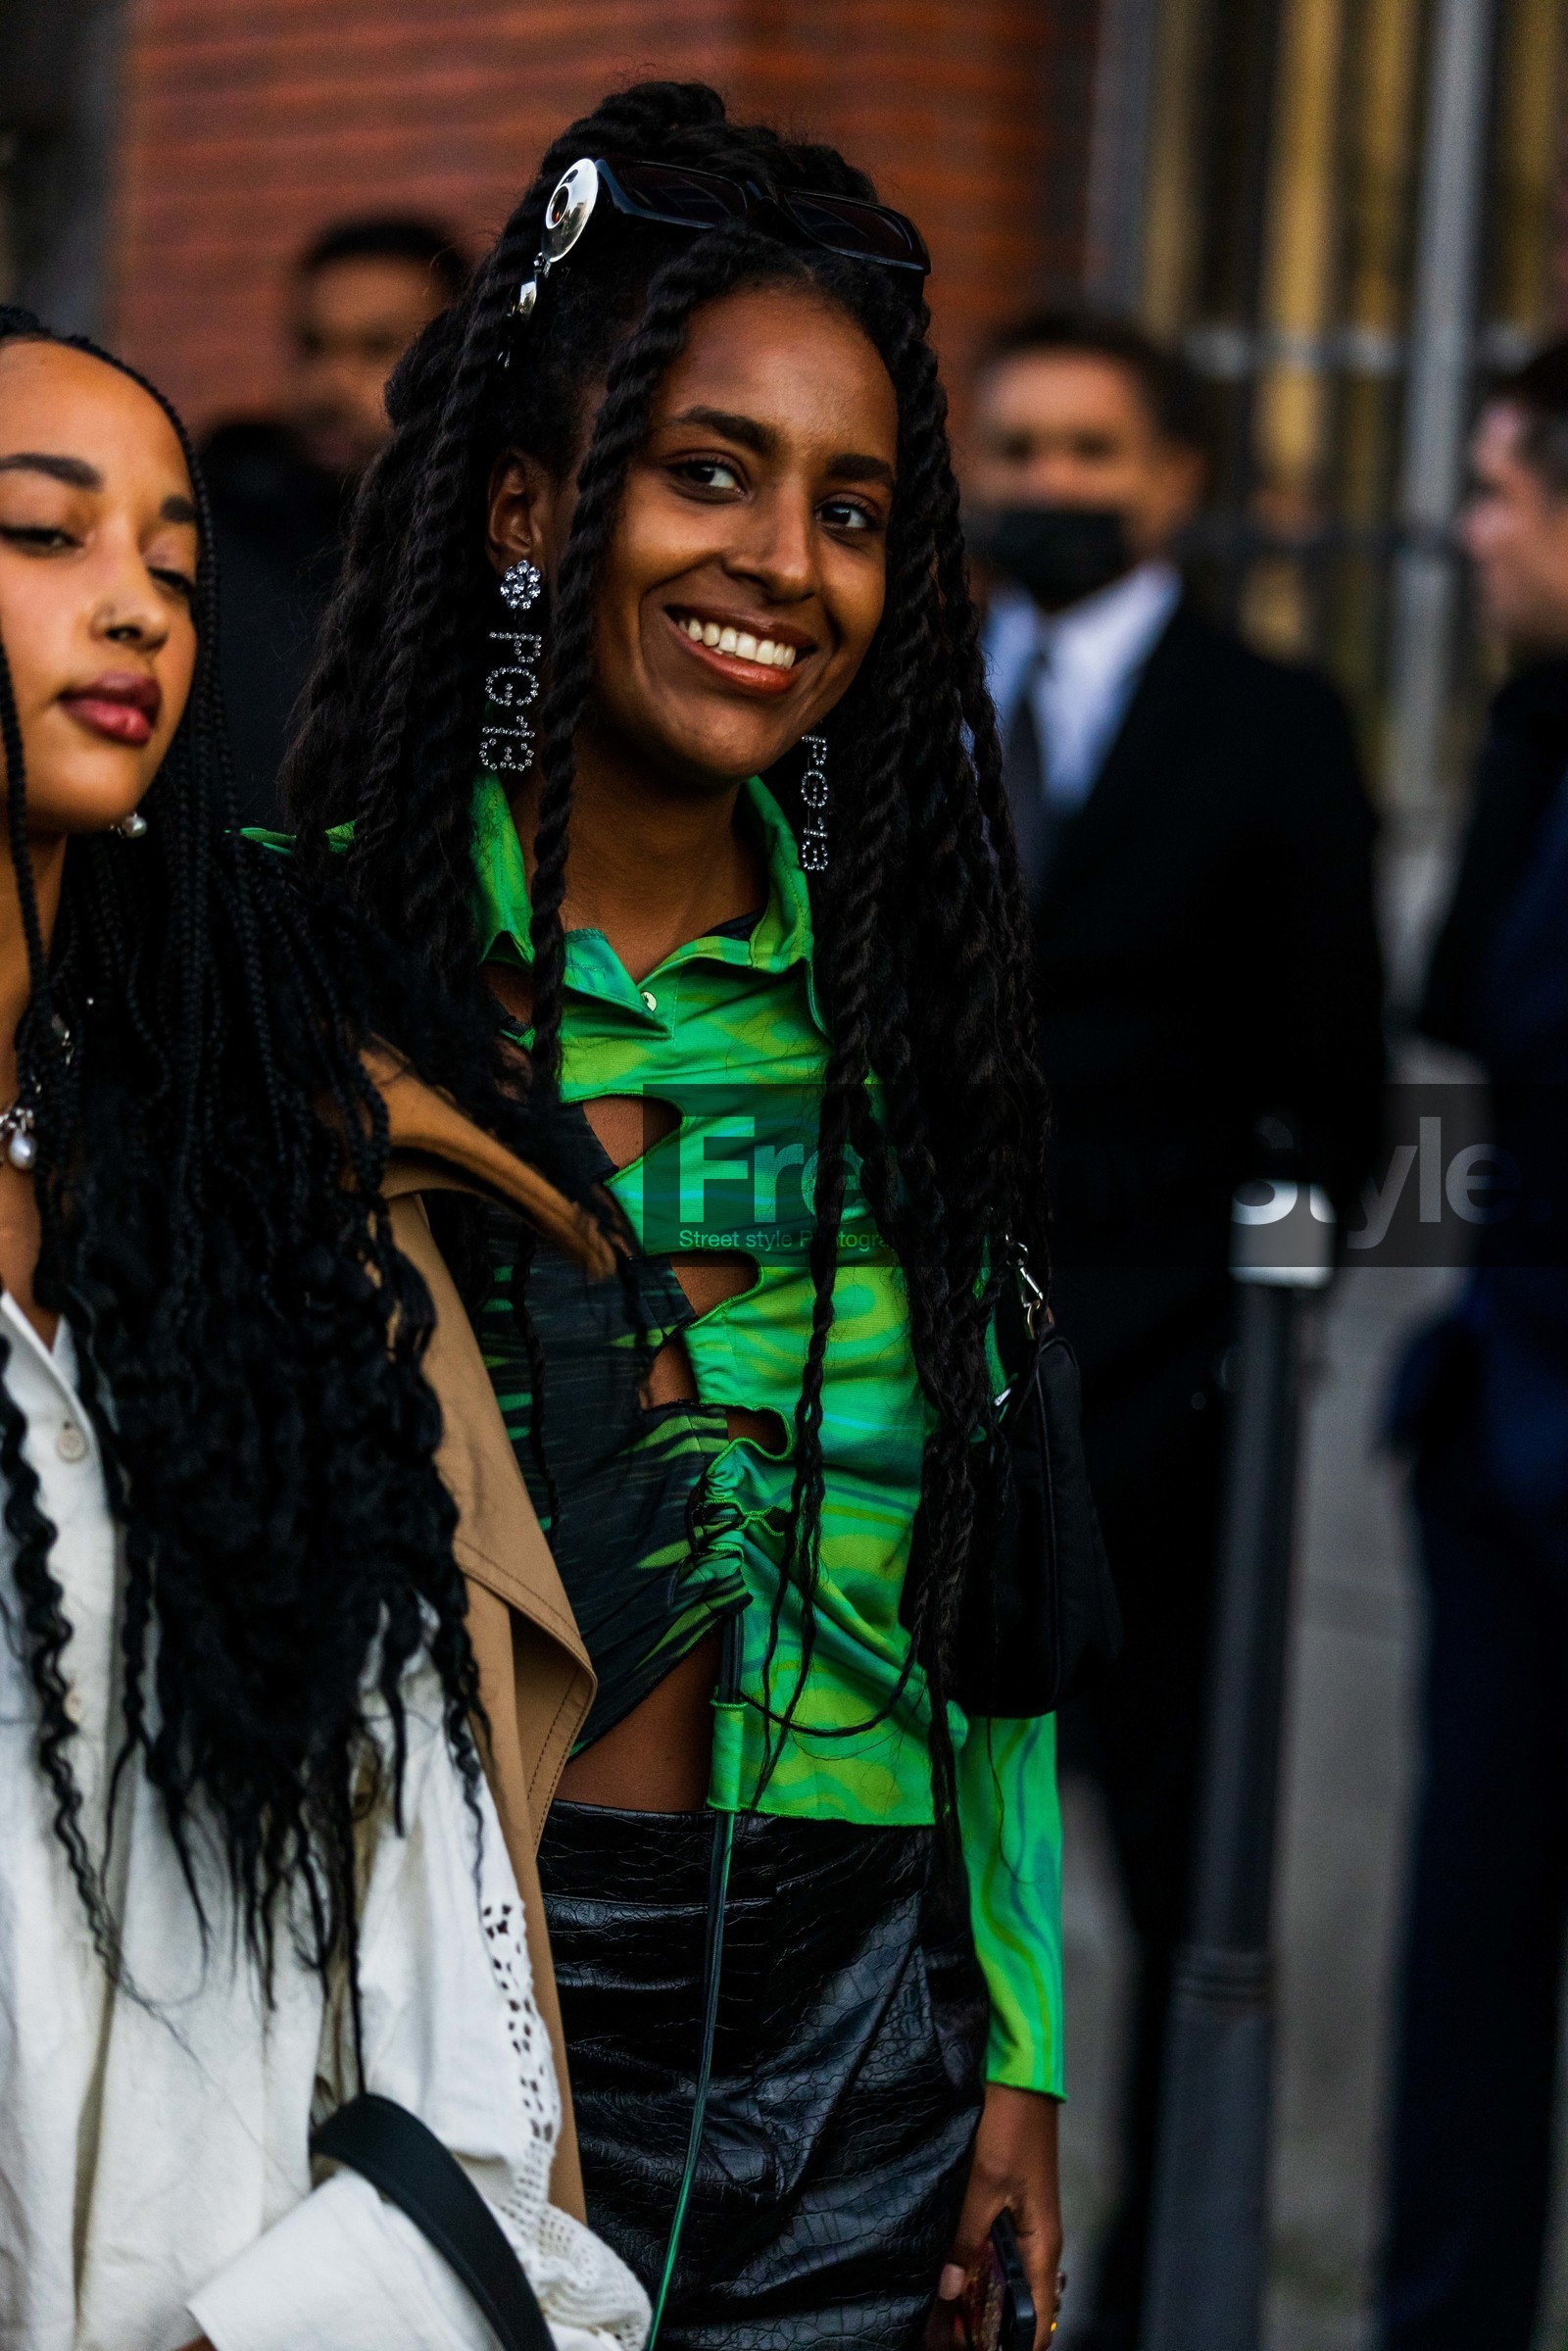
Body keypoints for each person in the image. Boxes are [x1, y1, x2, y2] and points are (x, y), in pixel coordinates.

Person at [284, 78, 1067, 2351]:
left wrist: (1012, 2038)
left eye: (849, 509)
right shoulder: (312, 979)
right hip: (438, 1995)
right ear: (528, 506)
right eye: (705, 469)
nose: (780, 565)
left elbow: (987, 1610)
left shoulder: (924, 1022)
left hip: (872, 2027)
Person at [0, 305, 648, 2351]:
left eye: (178, 565)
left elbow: (451, 1985)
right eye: (44, 533)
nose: (136, 608)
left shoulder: (239, 1221)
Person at [965, 311, 1386, 2351]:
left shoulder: (1268, 721)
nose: (1042, 485)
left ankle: (1128, 2302)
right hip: (911, 1389)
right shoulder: (905, 702)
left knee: (1155, 1881)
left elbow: (1336, 1093)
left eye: (1085, 451)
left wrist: (1221, 1335)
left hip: (1167, 1416)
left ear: (1174, 481)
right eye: (1013, 447)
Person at [1379, 338, 1568, 2351]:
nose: (1463, 531)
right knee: (1461, 1982)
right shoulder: (1529, 731)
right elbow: (1456, 1049)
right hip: (1492, 1433)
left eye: (1501, 489)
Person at [203, 217, 467, 828]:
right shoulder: (211, 537)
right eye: (313, 347)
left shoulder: (506, 554)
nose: (330, 384)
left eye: (378, 349)